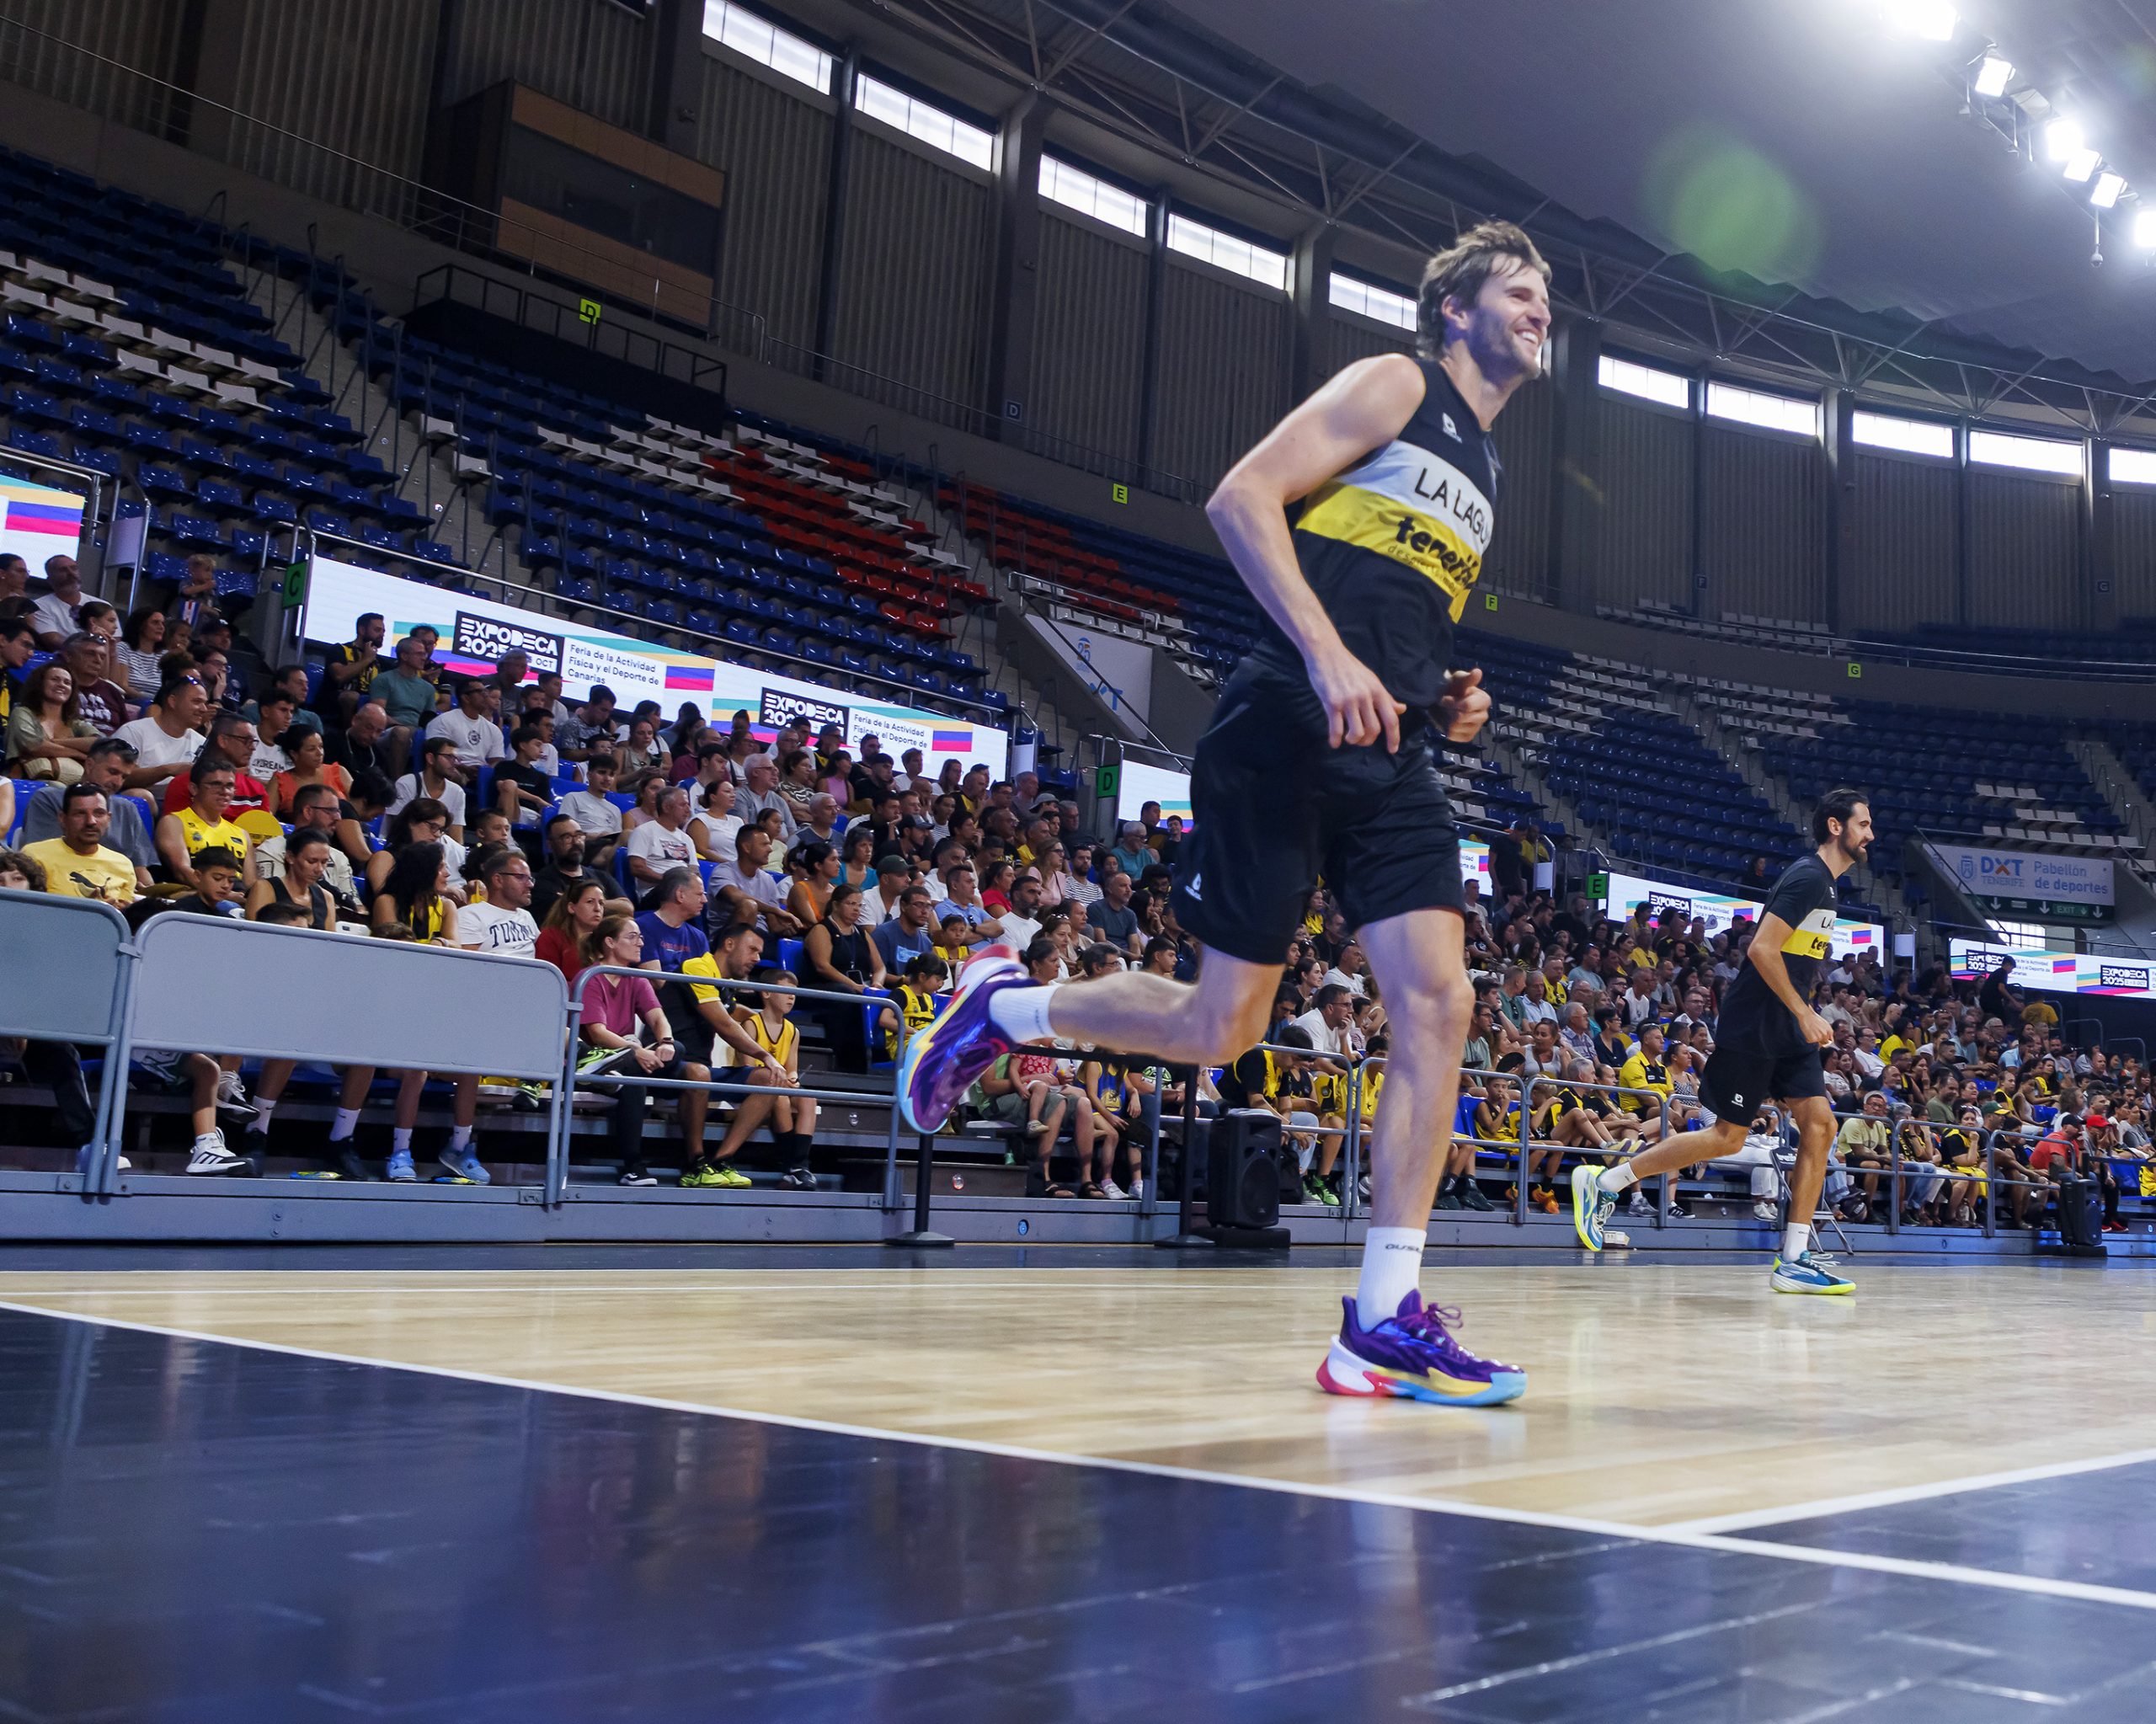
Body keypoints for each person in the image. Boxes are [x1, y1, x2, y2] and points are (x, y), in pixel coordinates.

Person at [898, 222, 1549, 1405]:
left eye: (1544, 294)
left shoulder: (1491, 470)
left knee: (1441, 1001)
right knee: (1221, 1027)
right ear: (1454, 310)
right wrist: (1329, 653)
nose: (1539, 305)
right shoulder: (1397, 382)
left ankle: (1381, 1319)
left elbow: (1391, 602)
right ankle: (1005, 1005)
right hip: (1284, 718)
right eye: (1517, 288)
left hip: (1391, 750)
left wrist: (1447, 698)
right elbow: (1242, 497)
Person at [1573, 791, 1873, 1294]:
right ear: (1836, 827)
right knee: (1727, 1138)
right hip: (1755, 1025)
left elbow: (1792, 962)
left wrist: (1803, 1010)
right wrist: (1805, 1011)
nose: (1871, 834)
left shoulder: (1828, 886)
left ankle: (1794, 1259)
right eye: (1863, 824)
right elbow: (1761, 949)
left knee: (1821, 1127)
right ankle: (1605, 1182)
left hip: (1789, 1029)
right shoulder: (1807, 877)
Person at [577, 915, 712, 1186]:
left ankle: (616, 1081)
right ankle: (633, 1165)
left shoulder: (637, 979)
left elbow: (659, 1018)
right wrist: (636, 1051)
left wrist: (666, 1042)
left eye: (641, 937)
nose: (641, 943)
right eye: (632, 937)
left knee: (677, 1049)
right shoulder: (591, 977)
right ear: (610, 942)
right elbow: (597, 1033)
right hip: (594, 1060)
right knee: (635, 1079)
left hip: (628, 1063)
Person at [20, 737, 156, 893]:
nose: (117, 782)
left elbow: (140, 867)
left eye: (124, 777)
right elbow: (43, 858)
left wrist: (150, 893)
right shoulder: (49, 798)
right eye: (113, 772)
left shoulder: (128, 810)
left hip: (117, 894)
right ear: (90, 765)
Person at [23, 782, 138, 907]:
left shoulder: (123, 865)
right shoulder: (34, 856)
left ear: (108, 819)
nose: (91, 822)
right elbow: (27, 909)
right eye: (80, 814)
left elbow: (124, 914)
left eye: (99, 813)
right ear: (63, 819)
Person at [153, 761, 257, 892]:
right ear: (194, 789)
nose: (225, 791)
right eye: (216, 784)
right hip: (193, 897)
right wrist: (223, 894)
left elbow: (250, 884)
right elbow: (182, 871)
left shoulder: (242, 834)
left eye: (230, 786)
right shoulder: (174, 823)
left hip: (237, 900)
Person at [7, 661, 97, 782]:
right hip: (28, 782)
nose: (61, 685)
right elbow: (33, 746)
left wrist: (53, 742)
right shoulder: (22, 712)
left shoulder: (74, 723)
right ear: (40, 684)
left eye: (67, 683)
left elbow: (98, 743)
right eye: (55, 679)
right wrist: (78, 754)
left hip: (73, 783)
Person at [243, 827, 337, 928]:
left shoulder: (327, 898)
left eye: (324, 862)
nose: (319, 869)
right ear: (290, 857)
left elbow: (329, 937)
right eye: (311, 861)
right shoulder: (265, 888)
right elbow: (256, 932)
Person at [371, 840, 459, 943]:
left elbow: (456, 945)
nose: (447, 873)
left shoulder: (447, 907)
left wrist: (441, 942)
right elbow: (394, 946)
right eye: (440, 867)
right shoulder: (387, 902)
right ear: (422, 871)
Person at [459, 848, 539, 957]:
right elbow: (468, 963)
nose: (530, 885)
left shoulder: (527, 916)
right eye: (520, 877)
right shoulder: (470, 915)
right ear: (498, 880)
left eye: (530, 879)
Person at [389, 735, 468, 841]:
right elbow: (398, 829)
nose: (454, 762)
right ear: (430, 758)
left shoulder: (457, 792)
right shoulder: (406, 784)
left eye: (456, 758)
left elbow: (457, 839)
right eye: (449, 757)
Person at [537, 876, 609, 983]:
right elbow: (546, 980)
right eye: (590, 902)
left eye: (601, 903)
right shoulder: (551, 936)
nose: (597, 908)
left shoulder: (607, 940)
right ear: (571, 908)